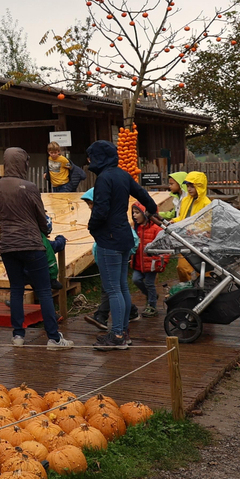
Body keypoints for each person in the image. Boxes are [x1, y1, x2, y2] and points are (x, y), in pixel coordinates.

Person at [0, 147, 73, 349]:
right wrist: (45, 230)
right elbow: (40, 216)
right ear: (22, 163)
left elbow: (0, 215)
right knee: (44, 291)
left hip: (8, 244)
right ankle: (53, 338)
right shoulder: (29, 186)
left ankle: (18, 335)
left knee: (16, 290)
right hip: (31, 243)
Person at [85, 139, 160, 350]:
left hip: (109, 239)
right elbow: (144, 196)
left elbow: (100, 210)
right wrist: (152, 209)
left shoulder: (103, 179)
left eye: (91, 156)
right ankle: (123, 331)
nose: (89, 160)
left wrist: (92, 228)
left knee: (112, 289)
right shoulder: (123, 175)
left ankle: (117, 334)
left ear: (99, 157)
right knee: (122, 286)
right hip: (125, 237)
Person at [80, 189, 141, 330]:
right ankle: (127, 316)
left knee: (113, 290)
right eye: (88, 204)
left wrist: (121, 253)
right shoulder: (103, 217)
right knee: (114, 290)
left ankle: (114, 326)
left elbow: (133, 239)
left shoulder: (113, 217)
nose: (90, 207)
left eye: (91, 204)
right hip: (105, 260)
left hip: (112, 258)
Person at [130, 203, 166, 317]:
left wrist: (162, 261)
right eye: (133, 213)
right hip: (138, 263)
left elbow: (164, 247)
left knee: (150, 283)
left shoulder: (156, 229)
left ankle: (152, 306)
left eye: (137, 212)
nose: (134, 215)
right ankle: (152, 296)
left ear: (145, 214)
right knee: (136, 280)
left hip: (152, 263)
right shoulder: (136, 229)